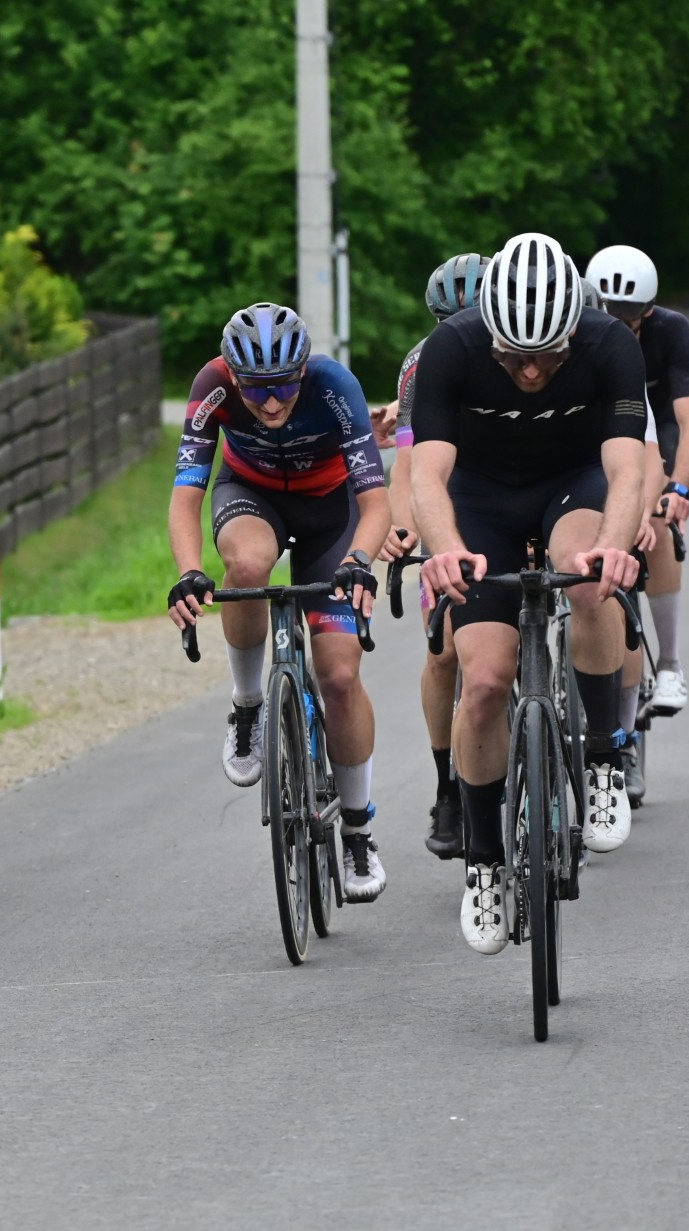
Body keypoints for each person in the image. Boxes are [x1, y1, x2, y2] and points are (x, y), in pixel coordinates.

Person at [409, 232, 647, 957]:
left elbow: (627, 468)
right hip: (481, 499)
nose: (534, 371)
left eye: (550, 354)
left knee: (587, 572)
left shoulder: (610, 344)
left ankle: (603, 756)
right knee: (483, 681)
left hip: (572, 484)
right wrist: (445, 549)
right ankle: (484, 860)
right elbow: (425, 474)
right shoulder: (452, 348)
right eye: (515, 357)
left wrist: (616, 543)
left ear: (576, 328)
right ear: (489, 333)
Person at [166, 302, 394, 902]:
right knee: (245, 566)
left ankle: (358, 830)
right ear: (234, 376)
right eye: (256, 389)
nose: (270, 403)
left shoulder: (335, 385)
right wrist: (189, 572)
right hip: (251, 495)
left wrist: (359, 561)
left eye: (284, 386)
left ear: (303, 371)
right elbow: (186, 494)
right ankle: (248, 706)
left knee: (339, 676)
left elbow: (375, 501)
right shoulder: (212, 386)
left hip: (330, 513)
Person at [584, 244, 689, 805]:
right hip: (588, 455)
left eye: (630, 320)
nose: (620, 327)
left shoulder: (669, 334)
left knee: (648, 528)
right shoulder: (578, 341)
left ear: (649, 314)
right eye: (609, 315)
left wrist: (678, 489)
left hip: (655, 445)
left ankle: (668, 667)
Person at [390, 253, 486, 860]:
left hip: (513, 491)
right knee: (445, 650)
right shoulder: (420, 365)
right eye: (450, 324)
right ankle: (447, 784)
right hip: (447, 501)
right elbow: (407, 462)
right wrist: (403, 526)